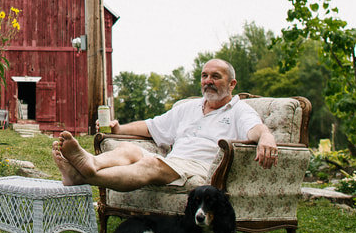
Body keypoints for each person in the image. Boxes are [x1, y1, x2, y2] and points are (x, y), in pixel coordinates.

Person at [53, 58, 279, 191]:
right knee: (129, 149)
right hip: (175, 163)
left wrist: (267, 137)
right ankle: (90, 162)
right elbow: (152, 127)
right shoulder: (188, 108)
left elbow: (256, 129)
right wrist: (119, 130)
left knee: (152, 164)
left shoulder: (239, 110)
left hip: (203, 168)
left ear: (232, 84)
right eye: (204, 76)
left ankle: (83, 176)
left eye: (215, 76)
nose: (208, 81)